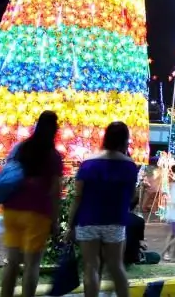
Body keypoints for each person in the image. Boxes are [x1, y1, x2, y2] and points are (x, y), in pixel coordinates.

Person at [66, 121, 140, 297]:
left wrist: (70, 225)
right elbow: (131, 196)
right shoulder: (129, 165)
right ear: (125, 140)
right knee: (116, 267)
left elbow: (78, 197)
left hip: (88, 221)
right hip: (115, 221)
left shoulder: (88, 163)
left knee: (91, 266)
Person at [0, 111, 62, 297]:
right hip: (37, 213)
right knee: (32, 264)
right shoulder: (53, 156)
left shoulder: (21, 148)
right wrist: (55, 220)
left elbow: (8, 172)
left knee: (12, 262)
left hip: (12, 210)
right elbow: (54, 191)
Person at [124, 194, 145, 266]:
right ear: (136, 206)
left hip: (113, 254)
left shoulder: (113, 218)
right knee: (155, 256)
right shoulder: (139, 220)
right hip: (132, 256)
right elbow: (141, 241)